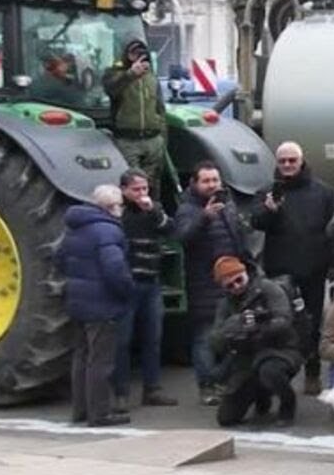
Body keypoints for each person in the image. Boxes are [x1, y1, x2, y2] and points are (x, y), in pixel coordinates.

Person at [250, 142, 334, 397]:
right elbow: (256, 222)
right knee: (279, 323)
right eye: (282, 161)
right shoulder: (266, 192)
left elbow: (333, 230)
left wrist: (333, 262)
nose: (287, 165)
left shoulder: (323, 192)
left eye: (292, 160)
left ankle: (312, 372)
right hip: (279, 270)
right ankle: (279, 376)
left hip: (314, 268)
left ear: (301, 161)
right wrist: (269, 210)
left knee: (312, 323)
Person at [175, 161, 251, 406]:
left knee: (233, 334)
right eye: (206, 181)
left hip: (231, 281)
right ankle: (207, 386)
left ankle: (223, 381)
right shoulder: (187, 210)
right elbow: (183, 239)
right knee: (205, 337)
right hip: (204, 283)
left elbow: (238, 238)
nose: (212, 185)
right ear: (195, 183)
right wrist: (205, 218)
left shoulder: (228, 206)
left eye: (215, 180)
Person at [58, 185, 134, 428]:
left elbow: (59, 258)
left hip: (77, 301)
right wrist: (127, 291)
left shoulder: (75, 227)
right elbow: (115, 269)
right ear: (112, 207)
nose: (122, 208)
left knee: (81, 356)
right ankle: (99, 414)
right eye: (120, 204)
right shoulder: (108, 231)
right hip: (102, 304)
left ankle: (79, 410)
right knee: (101, 361)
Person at [208, 257, 302, 427]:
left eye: (239, 280)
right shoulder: (225, 305)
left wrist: (259, 326)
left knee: (270, 371)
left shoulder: (268, 289)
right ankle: (260, 395)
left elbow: (284, 320)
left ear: (245, 274)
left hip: (280, 349)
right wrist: (234, 328)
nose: (237, 286)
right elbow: (215, 340)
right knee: (226, 418)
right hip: (246, 357)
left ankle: (287, 404)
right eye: (230, 285)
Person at [112, 170, 178, 410]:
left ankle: (152, 389)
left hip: (151, 282)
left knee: (153, 338)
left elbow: (171, 229)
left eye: (145, 189)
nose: (142, 194)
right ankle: (121, 393)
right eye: (136, 190)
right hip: (129, 284)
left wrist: (154, 211)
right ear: (124, 190)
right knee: (122, 341)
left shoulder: (154, 210)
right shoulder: (119, 213)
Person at [103, 39, 166, 196]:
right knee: (133, 185)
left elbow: (160, 107)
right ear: (127, 55)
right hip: (128, 140)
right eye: (133, 53)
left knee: (152, 185)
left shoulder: (152, 77)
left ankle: (153, 214)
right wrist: (130, 74)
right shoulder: (115, 74)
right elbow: (111, 90)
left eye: (142, 53)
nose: (138, 57)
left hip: (153, 140)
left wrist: (162, 137)